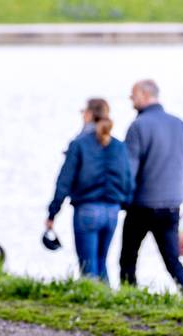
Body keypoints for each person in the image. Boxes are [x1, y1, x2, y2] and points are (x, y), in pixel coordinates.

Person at [120, 79, 183, 295]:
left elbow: (129, 170)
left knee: (128, 258)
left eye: (133, 95)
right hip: (172, 206)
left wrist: (123, 201)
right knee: (173, 261)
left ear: (146, 95)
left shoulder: (138, 126)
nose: (131, 100)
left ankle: (128, 299)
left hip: (141, 206)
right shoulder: (179, 124)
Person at [45, 98, 133, 283]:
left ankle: (90, 306)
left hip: (87, 210)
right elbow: (128, 182)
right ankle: (108, 305)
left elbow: (64, 181)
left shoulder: (79, 144)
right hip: (112, 211)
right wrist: (122, 204)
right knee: (102, 263)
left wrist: (53, 212)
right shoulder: (119, 146)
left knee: (88, 266)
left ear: (89, 114)